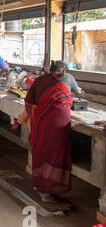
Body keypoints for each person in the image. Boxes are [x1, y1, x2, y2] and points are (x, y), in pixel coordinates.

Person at [25, 61, 73, 203]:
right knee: (56, 156)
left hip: (41, 124)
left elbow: (29, 102)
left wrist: (34, 118)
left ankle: (41, 188)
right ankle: (47, 192)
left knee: (41, 154)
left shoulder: (39, 81)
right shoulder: (61, 86)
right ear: (62, 73)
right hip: (56, 128)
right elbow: (68, 102)